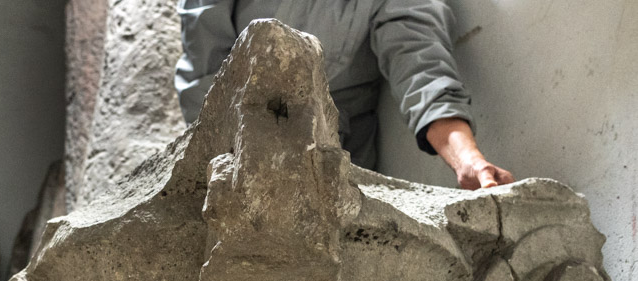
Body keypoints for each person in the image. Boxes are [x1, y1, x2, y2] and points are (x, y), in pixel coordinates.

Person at [175, 0, 514, 190]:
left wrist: (468, 160)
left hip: (338, 153)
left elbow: (422, 69)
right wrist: (233, 162)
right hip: (237, 141)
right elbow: (207, 76)